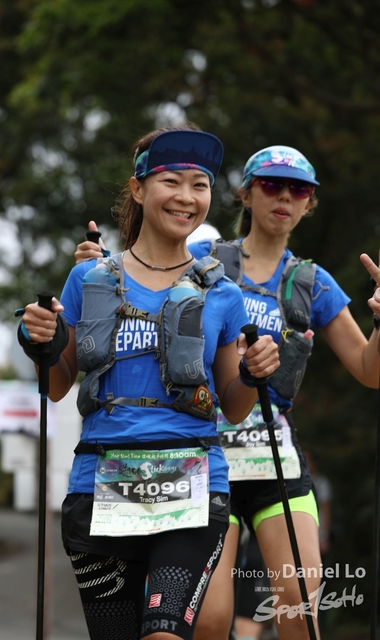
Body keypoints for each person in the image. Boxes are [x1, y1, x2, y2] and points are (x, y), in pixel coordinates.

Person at [76, 144, 380, 640]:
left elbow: (370, 370)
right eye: (271, 185)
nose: (284, 197)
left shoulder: (313, 282)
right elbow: (139, 272)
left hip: (273, 458)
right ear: (245, 193)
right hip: (201, 458)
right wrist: (98, 268)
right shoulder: (203, 261)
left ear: (310, 203)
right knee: (211, 620)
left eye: (299, 190)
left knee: (299, 604)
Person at [17, 125, 279, 640]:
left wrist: (254, 373)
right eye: (171, 181)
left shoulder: (223, 294)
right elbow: (57, 385)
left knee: (164, 634)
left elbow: (233, 405)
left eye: (199, 185)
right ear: (138, 189)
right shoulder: (88, 280)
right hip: (100, 487)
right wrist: (38, 342)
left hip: (193, 488)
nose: (187, 197)